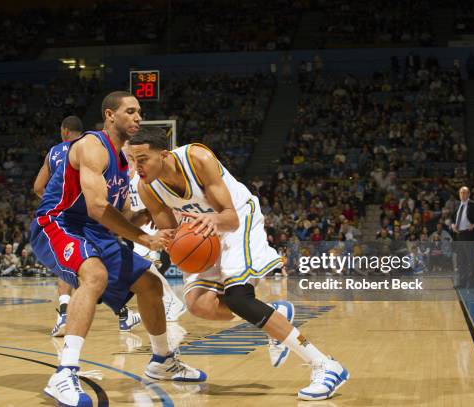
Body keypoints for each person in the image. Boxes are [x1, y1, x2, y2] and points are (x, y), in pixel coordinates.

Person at [128, 128, 348, 401]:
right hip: (201, 231)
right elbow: (173, 235)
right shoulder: (146, 187)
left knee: (239, 298)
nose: (136, 167)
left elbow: (230, 217)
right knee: (199, 304)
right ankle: (273, 313)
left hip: (237, 220)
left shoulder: (197, 159)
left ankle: (325, 364)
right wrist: (163, 238)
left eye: (142, 159)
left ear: (163, 155)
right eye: (132, 159)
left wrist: (213, 221)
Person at [30, 91, 205, 407]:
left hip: (95, 232)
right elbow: (97, 207)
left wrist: (149, 213)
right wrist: (143, 237)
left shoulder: (125, 161)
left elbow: (119, 215)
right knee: (94, 275)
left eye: (139, 111)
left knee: (150, 284)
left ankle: (163, 359)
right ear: (110, 115)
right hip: (58, 223)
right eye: (131, 111)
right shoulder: (91, 147)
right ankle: (64, 373)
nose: (138, 117)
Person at [33, 115, 141, 336]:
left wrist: (57, 204)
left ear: (64, 131)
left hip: (64, 219)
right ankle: (123, 314)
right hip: (94, 219)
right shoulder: (95, 147)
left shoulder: (55, 152)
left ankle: (64, 315)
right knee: (95, 270)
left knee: (76, 268)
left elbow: (37, 187)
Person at [124, 143, 186, 322]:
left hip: (150, 223)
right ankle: (170, 301)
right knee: (141, 267)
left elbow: (161, 197)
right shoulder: (124, 174)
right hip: (137, 224)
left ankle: (172, 302)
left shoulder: (144, 174)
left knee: (140, 264)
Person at [452, 186, 474, 288]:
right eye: (461, 193)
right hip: (459, 234)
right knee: (461, 260)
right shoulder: (458, 205)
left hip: (470, 234)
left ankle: (471, 282)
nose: (462, 194)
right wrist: (453, 225)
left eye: (464, 193)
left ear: (468, 194)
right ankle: (462, 282)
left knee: (471, 259)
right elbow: (454, 218)